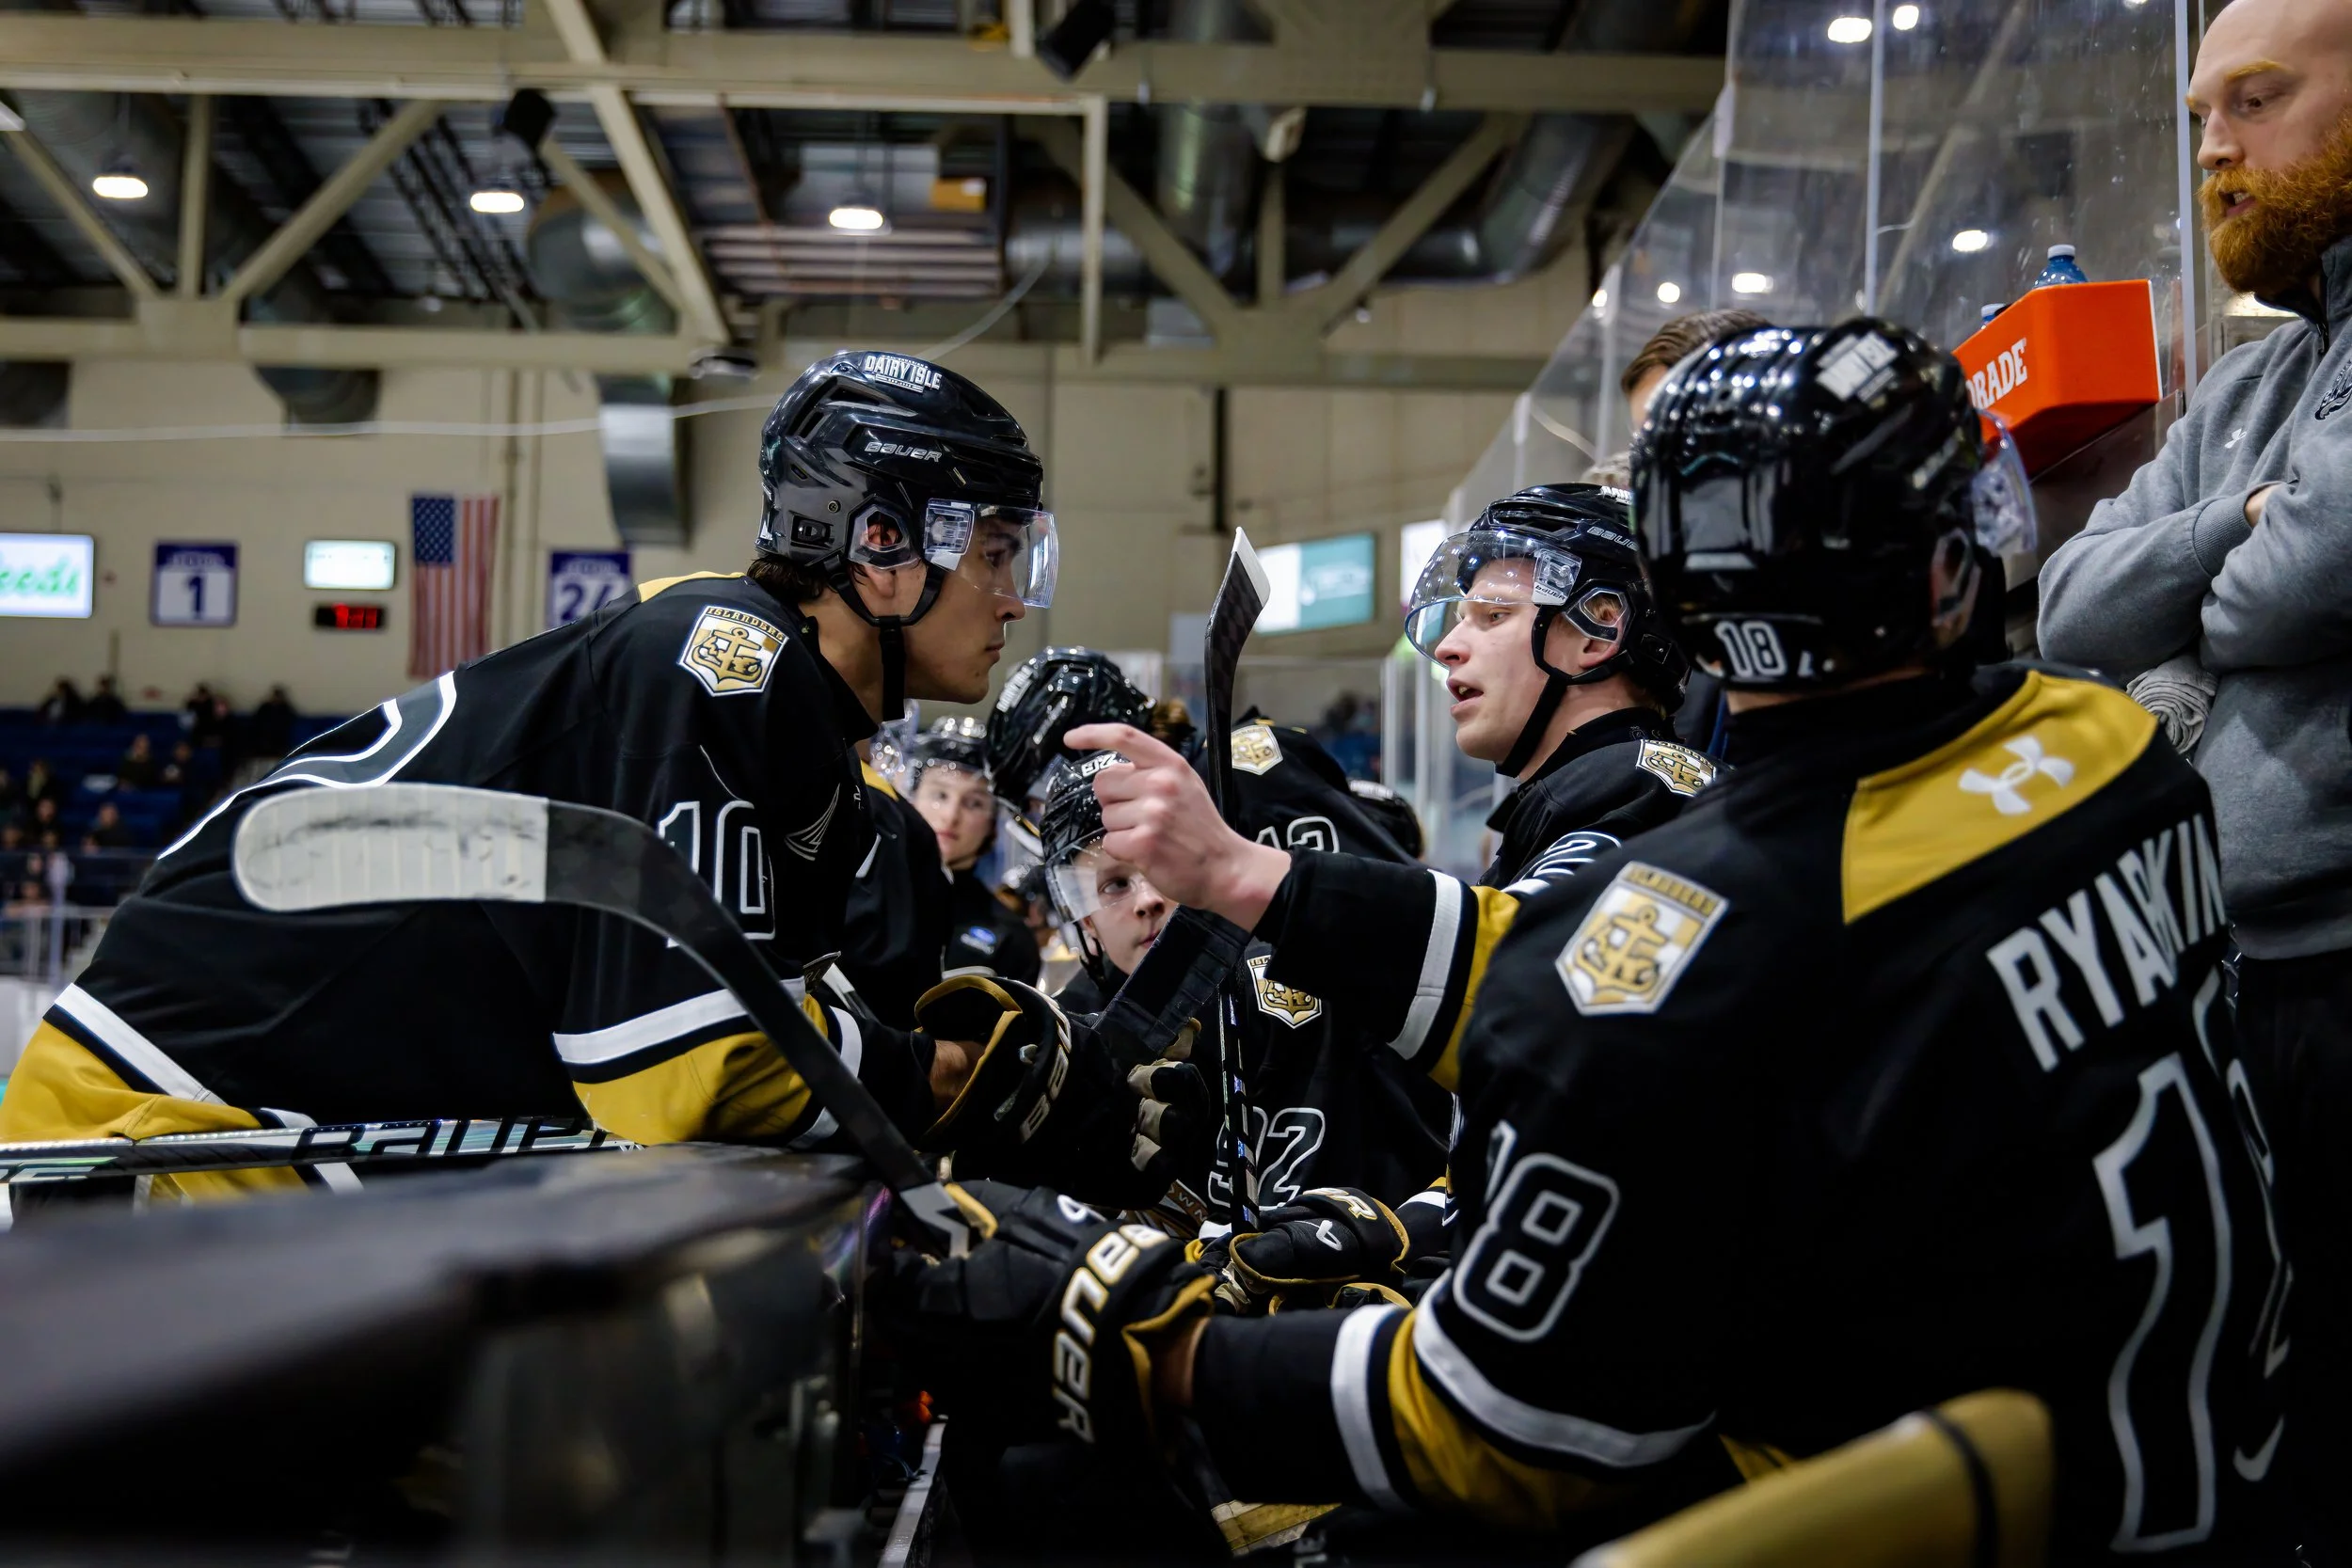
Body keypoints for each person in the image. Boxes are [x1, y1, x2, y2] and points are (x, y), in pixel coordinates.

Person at [885, 322, 2295, 1562]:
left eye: (1492, 614)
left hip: (1906, 1514)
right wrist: (1250, 876)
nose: (1455, 645)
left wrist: (1151, 1344)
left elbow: (1510, 1419)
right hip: (2213, 1486)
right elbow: (1598, 975)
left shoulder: (1722, 922)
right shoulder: (2105, 749)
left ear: (1668, 600)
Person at [0, 351, 1169, 1212]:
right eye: (995, 551)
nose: (1013, 596)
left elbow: (760, 1030)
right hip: (149, 1129)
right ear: (880, 546)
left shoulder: (787, 714)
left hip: (234, 1121)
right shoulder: (724, 665)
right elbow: (689, 1066)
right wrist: (954, 1075)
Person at [2038, 0, 2352, 1546]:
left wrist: (2210, 585)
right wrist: (2238, 524)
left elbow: (2317, 569)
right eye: (2201, 115)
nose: (2217, 147)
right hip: (2237, 976)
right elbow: (2070, 607)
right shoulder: (2246, 389)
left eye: (2259, 99)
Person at [1040, 752, 1449, 1215]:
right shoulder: (1068, 1036)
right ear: (1086, 921)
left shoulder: (1283, 978)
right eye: (1115, 885)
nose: (1147, 900)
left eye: (1161, 862)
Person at [903, 716, 1040, 985]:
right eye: (940, 795)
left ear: (993, 822)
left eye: (974, 803)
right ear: (911, 798)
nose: (951, 816)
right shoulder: (856, 892)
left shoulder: (1011, 940)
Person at [250, 685, 297, 759]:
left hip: (279, 733)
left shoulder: (285, 707)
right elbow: (257, 719)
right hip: (265, 733)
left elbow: (290, 719)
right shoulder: (265, 706)